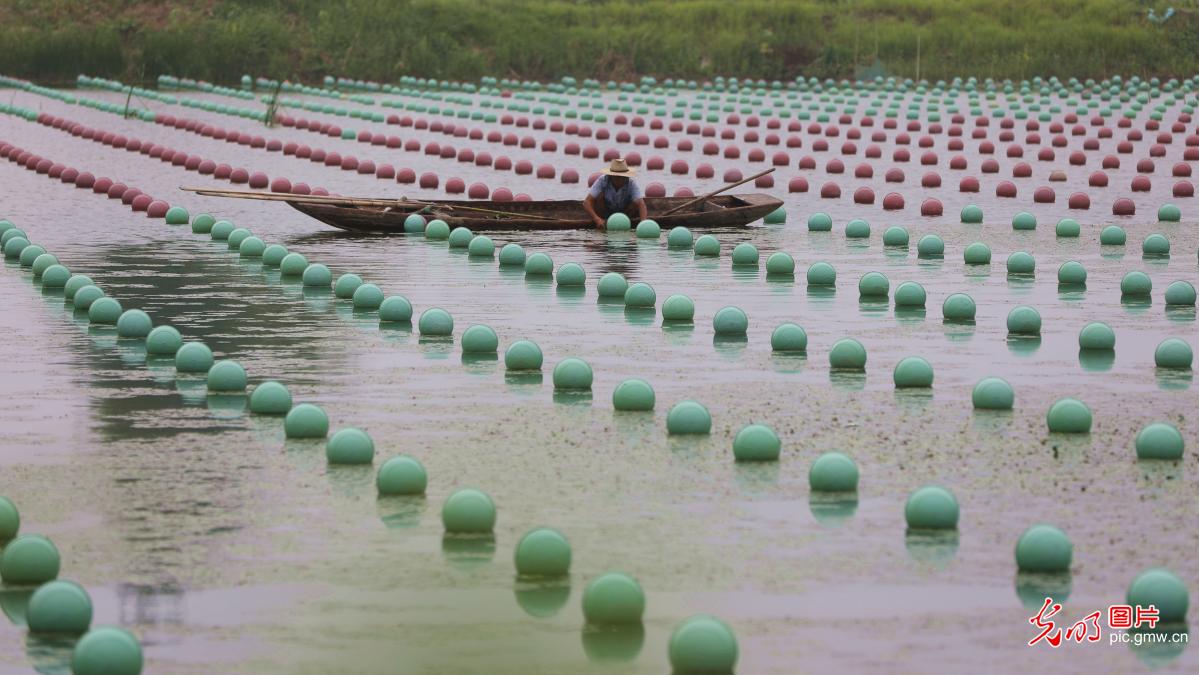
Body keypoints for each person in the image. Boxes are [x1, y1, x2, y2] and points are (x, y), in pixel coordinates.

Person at [583, 158, 648, 229]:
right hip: (604, 212)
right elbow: (587, 202)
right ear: (611, 176)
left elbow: (641, 204)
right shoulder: (602, 181)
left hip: (625, 213)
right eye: (618, 177)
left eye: (623, 177)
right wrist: (596, 219)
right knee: (599, 196)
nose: (621, 180)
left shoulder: (631, 183)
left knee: (635, 202)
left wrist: (643, 224)